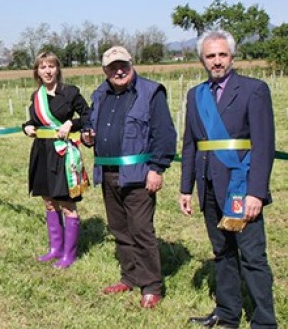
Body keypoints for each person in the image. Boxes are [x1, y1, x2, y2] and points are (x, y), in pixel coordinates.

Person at [180, 30, 277, 328]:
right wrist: (186, 188)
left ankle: (263, 321)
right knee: (222, 252)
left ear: (232, 57)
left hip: (240, 187)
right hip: (208, 184)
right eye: (211, 56)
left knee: (252, 257)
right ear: (202, 60)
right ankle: (227, 313)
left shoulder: (254, 90)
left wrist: (256, 193)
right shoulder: (194, 95)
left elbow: (264, 146)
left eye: (222, 55)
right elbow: (190, 144)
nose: (217, 61)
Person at [82, 46, 176, 308]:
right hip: (108, 172)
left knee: (141, 230)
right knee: (119, 229)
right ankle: (130, 276)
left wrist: (157, 168)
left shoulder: (150, 92)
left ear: (131, 64)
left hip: (139, 175)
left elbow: (164, 134)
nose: (119, 71)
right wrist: (88, 136)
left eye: (123, 65)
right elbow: (91, 125)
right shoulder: (100, 94)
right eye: (113, 67)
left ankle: (151, 286)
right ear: (105, 71)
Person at [22, 52, 90, 270]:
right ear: (37, 72)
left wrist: (72, 124)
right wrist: (27, 126)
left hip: (63, 154)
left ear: (58, 69)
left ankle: (69, 255)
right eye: (43, 67)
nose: (47, 71)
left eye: (51, 66)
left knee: (67, 203)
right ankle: (55, 249)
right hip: (42, 152)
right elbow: (34, 120)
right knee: (49, 202)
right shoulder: (36, 95)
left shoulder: (70, 92)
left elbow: (90, 115)